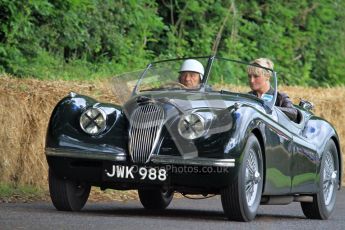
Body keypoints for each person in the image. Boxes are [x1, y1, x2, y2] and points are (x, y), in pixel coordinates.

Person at [247, 58, 298, 122]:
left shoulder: (280, 97)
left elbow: (293, 113)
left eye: (256, 76)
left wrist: (269, 108)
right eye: (249, 76)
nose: (251, 80)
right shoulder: (247, 96)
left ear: (267, 76)